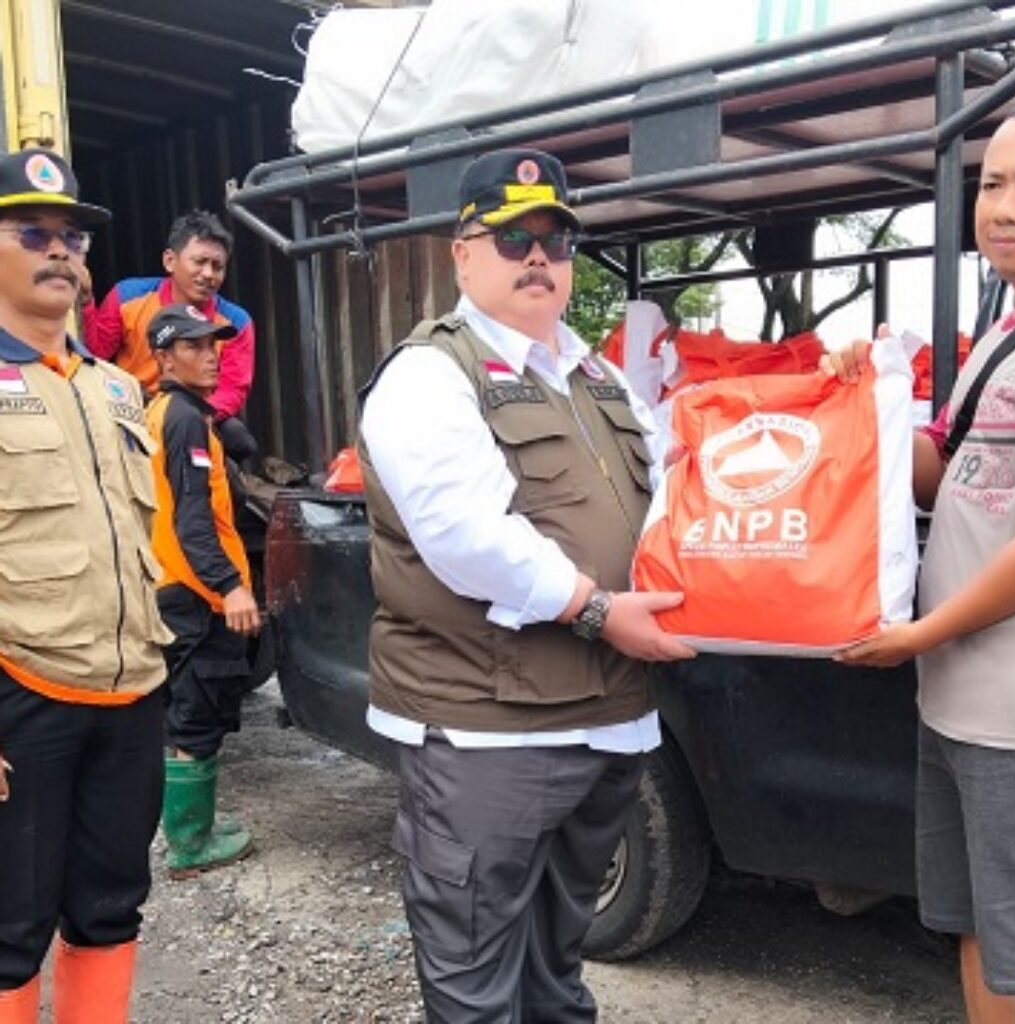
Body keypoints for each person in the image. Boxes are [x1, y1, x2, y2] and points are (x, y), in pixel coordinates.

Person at [359, 147, 693, 1021]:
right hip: (487, 735)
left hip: (612, 724)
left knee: (557, 965)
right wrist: (597, 610)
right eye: (513, 239)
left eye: (555, 237)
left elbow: (681, 488)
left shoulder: (602, 377)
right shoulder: (431, 373)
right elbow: (466, 537)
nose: (538, 256)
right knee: (475, 986)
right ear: (461, 252)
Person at [824, 113, 1015, 1024]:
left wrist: (918, 635)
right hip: (953, 703)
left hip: (1012, 717)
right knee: (976, 925)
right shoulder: (1000, 335)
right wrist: (868, 399)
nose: (1007, 209)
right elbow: (944, 472)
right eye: (993, 185)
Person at [0, 148, 169, 1023]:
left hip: (130, 689)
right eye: (35, 231)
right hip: (21, 692)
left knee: (109, 906)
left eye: (72, 237)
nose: (61, 250)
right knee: (8, 923)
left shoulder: (114, 388)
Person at [145, 304, 261, 878]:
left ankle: (192, 832)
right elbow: (193, 519)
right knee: (199, 709)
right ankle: (191, 844)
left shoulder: (177, 412)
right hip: (195, 592)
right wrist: (230, 586)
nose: (211, 354)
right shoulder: (183, 419)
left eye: (214, 344)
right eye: (193, 346)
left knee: (189, 708)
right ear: (164, 358)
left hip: (177, 586)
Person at [82, 210, 256, 428]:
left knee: (237, 436)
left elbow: (232, 389)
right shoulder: (126, 297)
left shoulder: (236, 322)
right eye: (200, 262)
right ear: (170, 261)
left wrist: (191, 420)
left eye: (217, 266)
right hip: (130, 411)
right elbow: (95, 354)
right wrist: (86, 301)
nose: (209, 273)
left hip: (196, 416)